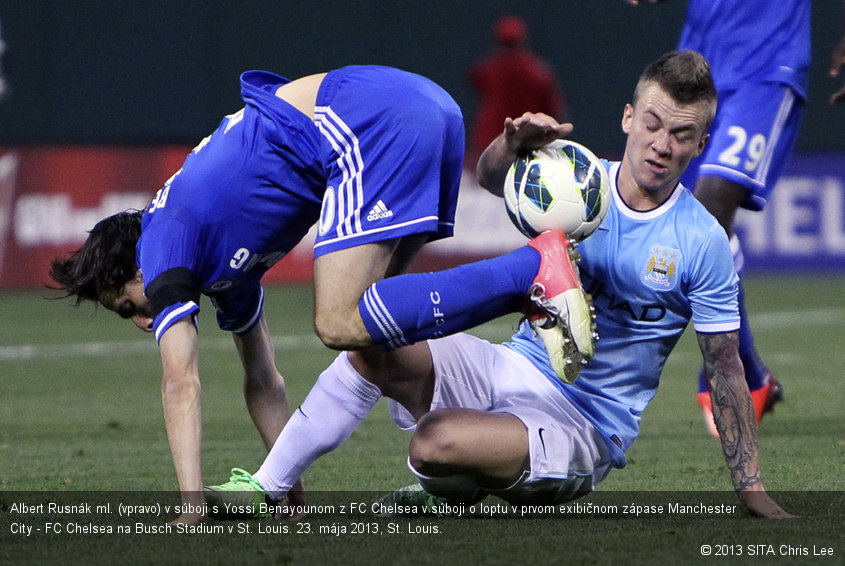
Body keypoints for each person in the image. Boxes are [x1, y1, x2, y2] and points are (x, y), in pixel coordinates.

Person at [206, 51, 791, 519]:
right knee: (368, 345)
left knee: (433, 444)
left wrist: (752, 488)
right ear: (629, 118)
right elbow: (492, 180)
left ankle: (453, 483)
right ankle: (269, 485)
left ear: (701, 144)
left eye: (683, 135)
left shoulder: (701, 240)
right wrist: (511, 146)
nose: (663, 145)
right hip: (510, 368)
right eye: (655, 124)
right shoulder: (578, 178)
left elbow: (725, 366)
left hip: (583, 424)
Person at [49, 65, 594, 524]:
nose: (143, 322)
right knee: (376, 340)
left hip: (364, 122)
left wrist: (192, 505)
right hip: (427, 110)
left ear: (134, 268)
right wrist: (287, 491)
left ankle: (531, 273)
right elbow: (263, 380)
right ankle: (453, 473)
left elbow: (180, 381)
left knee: (337, 320)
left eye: (129, 306)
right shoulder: (218, 269)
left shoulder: (162, 241)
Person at [626, 0, 845, 436]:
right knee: (688, 219)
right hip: (698, 68)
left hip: (767, 65)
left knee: (710, 207)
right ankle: (755, 377)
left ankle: (723, 374)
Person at [467, 15, 565, 164]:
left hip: (491, 140)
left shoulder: (492, 68)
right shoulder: (536, 70)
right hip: (526, 140)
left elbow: (474, 78)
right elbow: (554, 108)